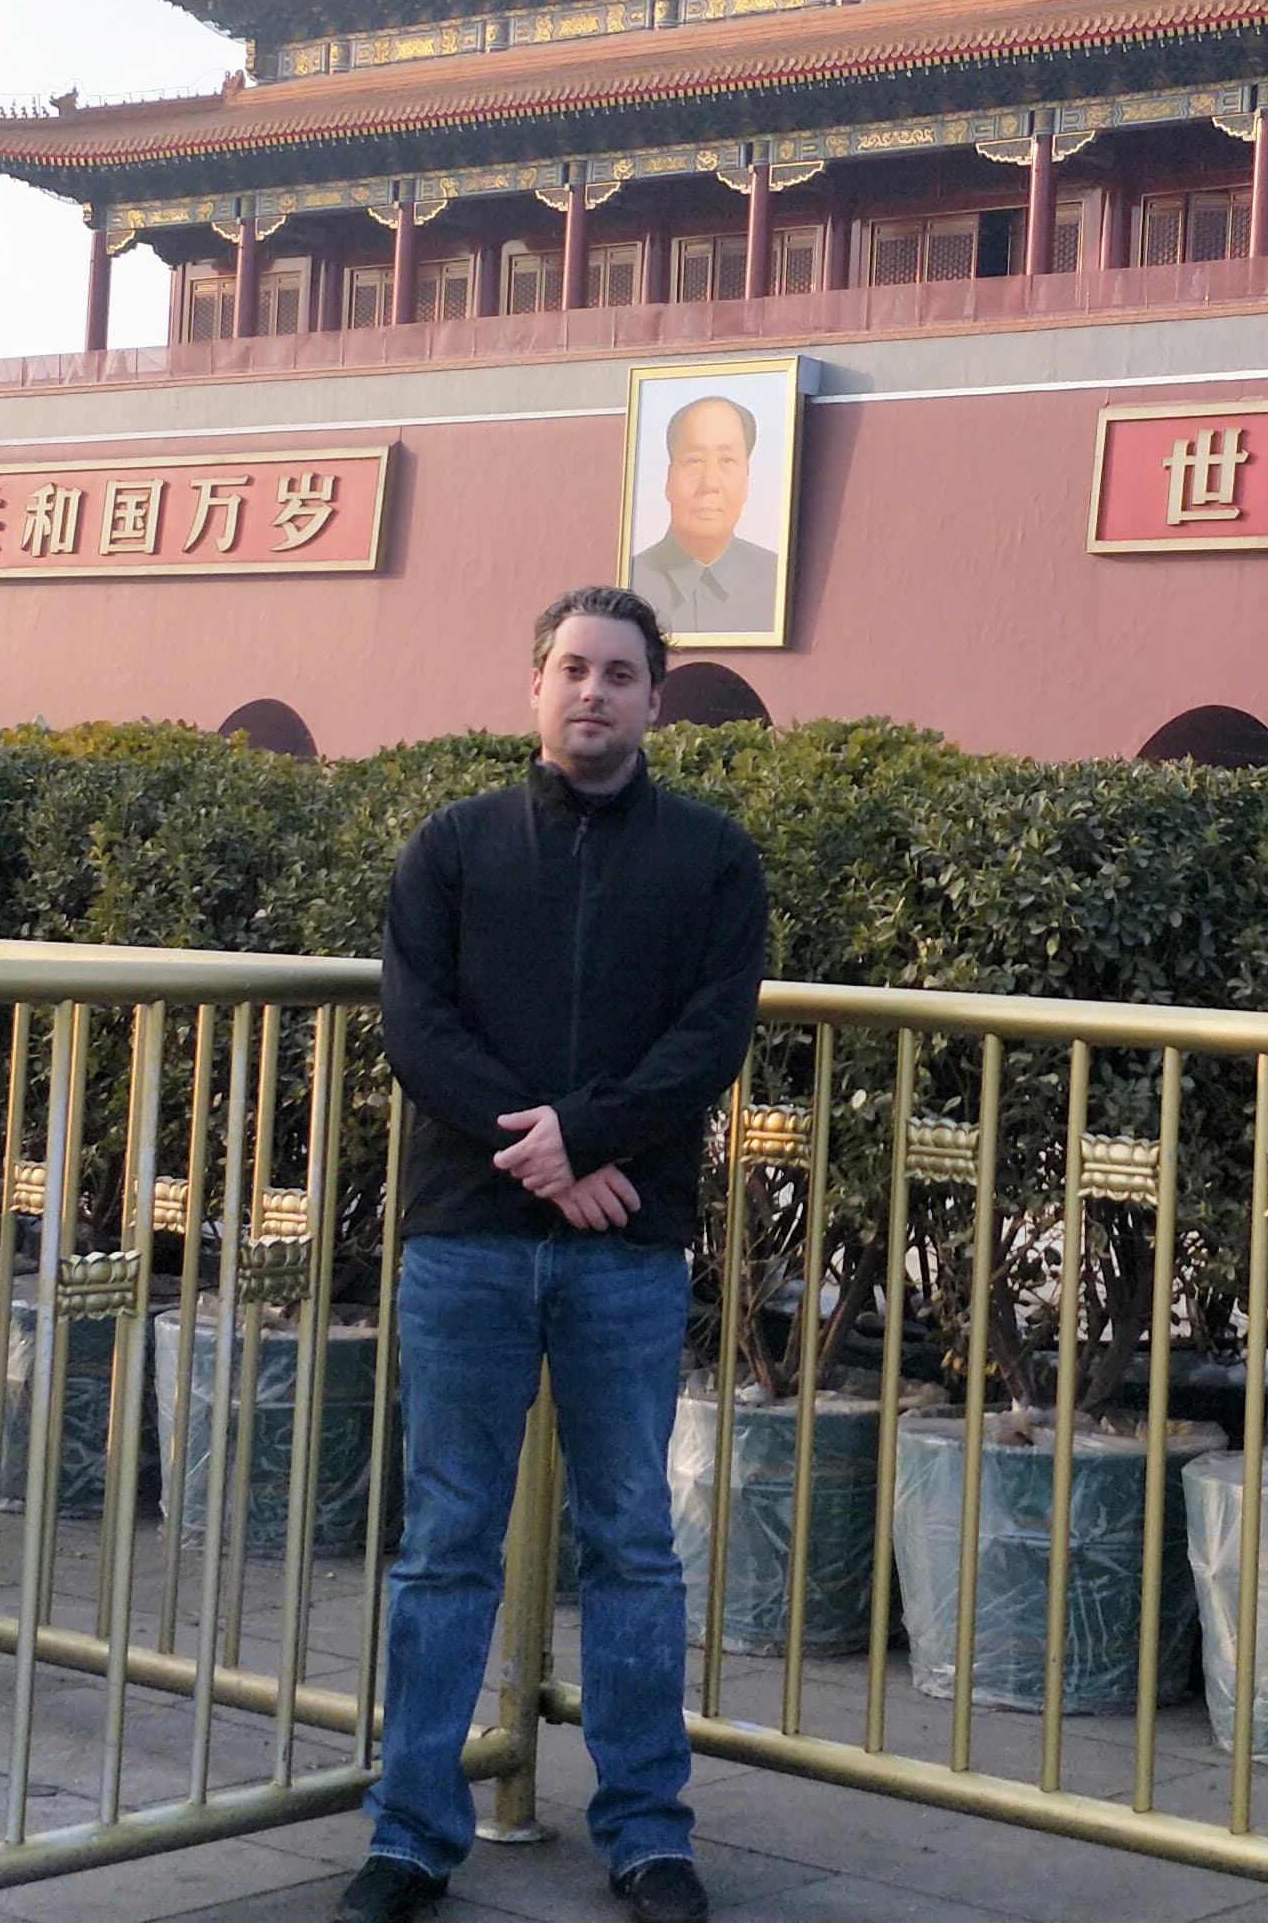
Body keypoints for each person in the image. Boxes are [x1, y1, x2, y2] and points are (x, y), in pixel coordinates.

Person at [343, 586, 767, 1923]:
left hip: (625, 1249)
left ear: (658, 696)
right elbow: (422, 1029)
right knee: (445, 1543)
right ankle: (412, 1835)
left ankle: (648, 1832)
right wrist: (543, 1152)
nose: (594, 692)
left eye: (620, 673)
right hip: (467, 1241)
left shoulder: (711, 860)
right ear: (533, 687)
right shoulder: (453, 848)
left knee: (634, 1542)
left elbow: (708, 1039)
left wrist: (582, 1140)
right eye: (572, 669)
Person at [626, 394, 781, 635]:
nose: (709, 483)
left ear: (746, 479)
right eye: (694, 461)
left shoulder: (776, 581)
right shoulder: (631, 583)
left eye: (727, 461)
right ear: (669, 479)